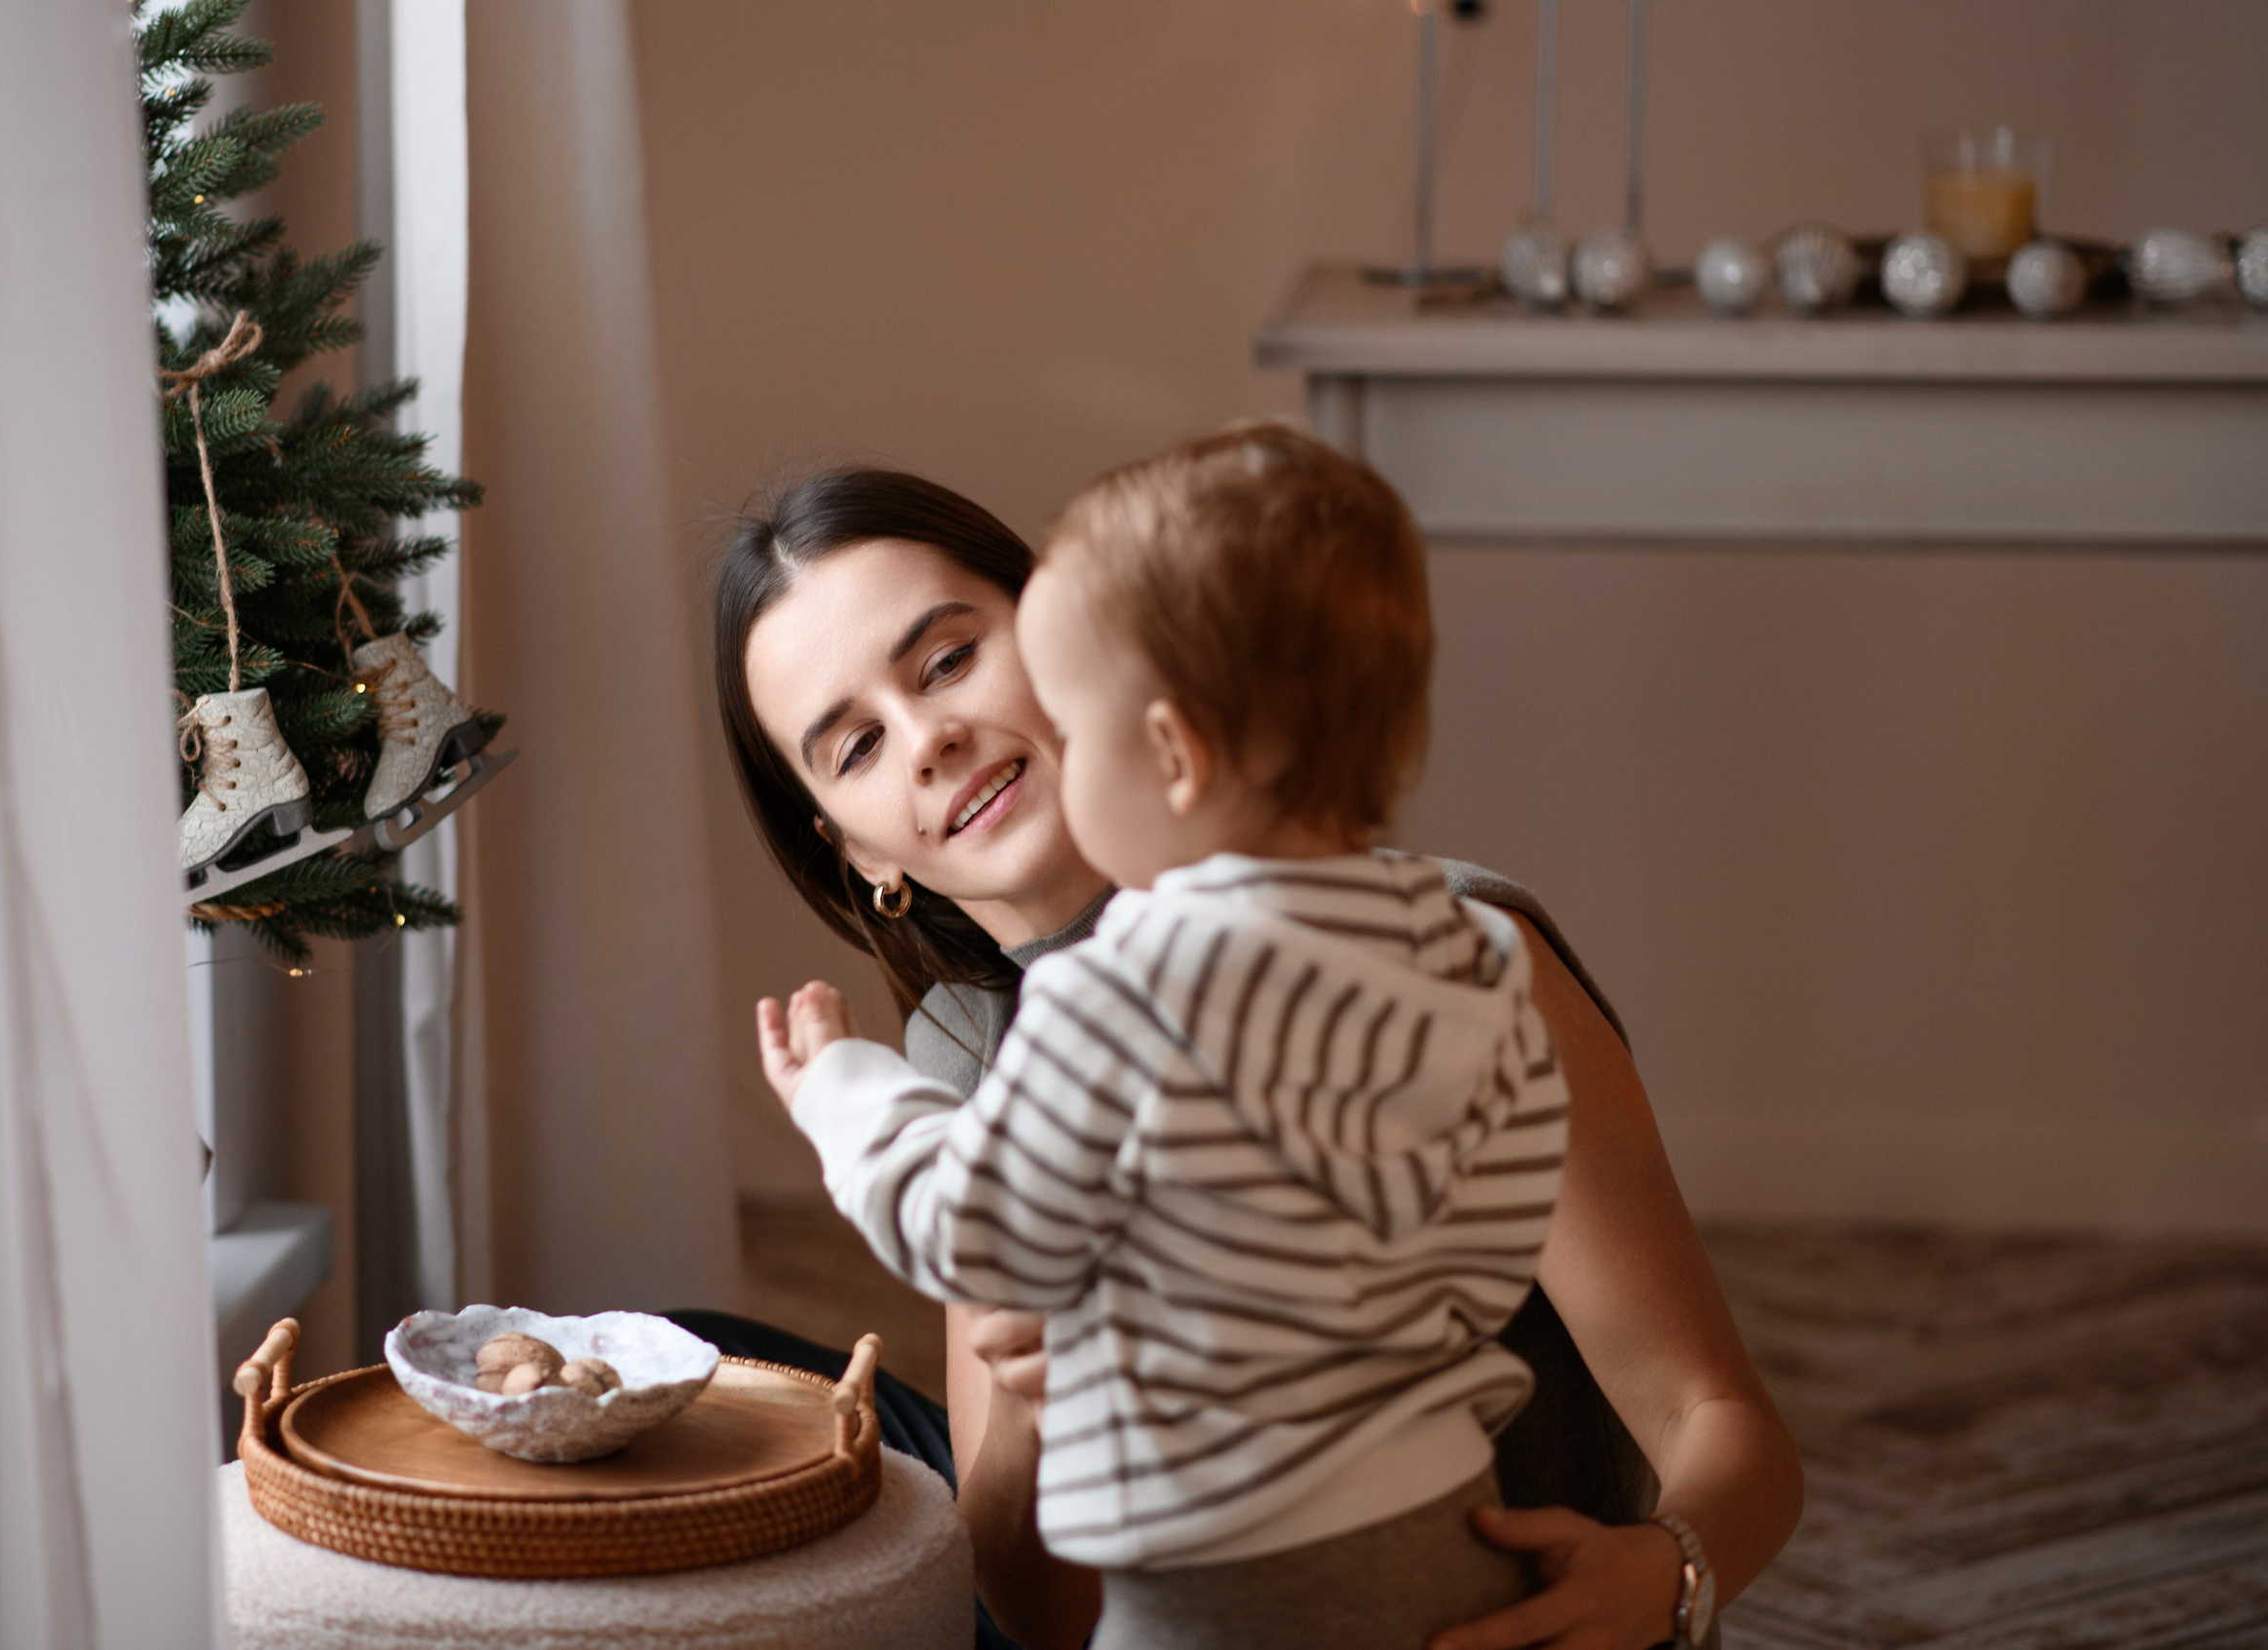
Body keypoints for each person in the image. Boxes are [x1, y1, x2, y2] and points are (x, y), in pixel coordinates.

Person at [712, 449, 1803, 1650]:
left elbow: (1716, 1416)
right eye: (856, 745)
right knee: (706, 1376)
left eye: (950, 657)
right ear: (854, 850)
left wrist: (1660, 1575)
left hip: (1453, 1602)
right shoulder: (966, 1046)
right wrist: (1018, 1368)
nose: (930, 736)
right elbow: (1041, 1615)